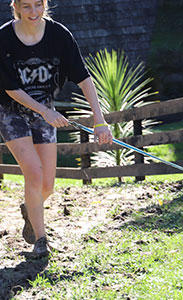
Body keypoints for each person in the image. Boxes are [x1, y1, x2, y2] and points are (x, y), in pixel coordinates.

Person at [0, 0, 113, 258]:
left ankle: (31, 208)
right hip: (10, 110)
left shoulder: (59, 35)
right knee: (34, 174)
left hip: (44, 110)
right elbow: (10, 88)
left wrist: (100, 120)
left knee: (48, 185)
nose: (33, 12)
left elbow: (84, 78)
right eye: (26, 6)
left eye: (38, 5)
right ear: (15, 6)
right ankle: (41, 240)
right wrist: (45, 111)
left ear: (45, 4)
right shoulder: (4, 38)